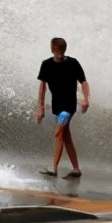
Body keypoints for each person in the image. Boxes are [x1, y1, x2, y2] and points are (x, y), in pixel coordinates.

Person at [34, 37, 90, 179]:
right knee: (66, 137)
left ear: (64, 49)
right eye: (58, 50)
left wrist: (86, 99)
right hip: (56, 105)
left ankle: (54, 169)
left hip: (69, 105)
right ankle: (76, 169)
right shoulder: (46, 64)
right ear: (53, 49)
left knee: (59, 132)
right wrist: (40, 107)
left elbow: (83, 82)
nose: (60, 52)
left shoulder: (73, 63)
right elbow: (42, 88)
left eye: (62, 50)